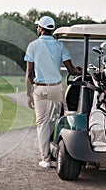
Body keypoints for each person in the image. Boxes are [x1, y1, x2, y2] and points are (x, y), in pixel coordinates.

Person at [24, 16, 82, 168]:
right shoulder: (60, 46)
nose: (37, 29)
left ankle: (46, 159)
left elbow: (29, 74)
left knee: (42, 123)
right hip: (57, 88)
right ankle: (58, 150)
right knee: (56, 120)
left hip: (41, 88)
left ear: (41, 29)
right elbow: (71, 69)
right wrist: (78, 71)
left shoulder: (33, 45)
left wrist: (29, 94)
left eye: (38, 27)